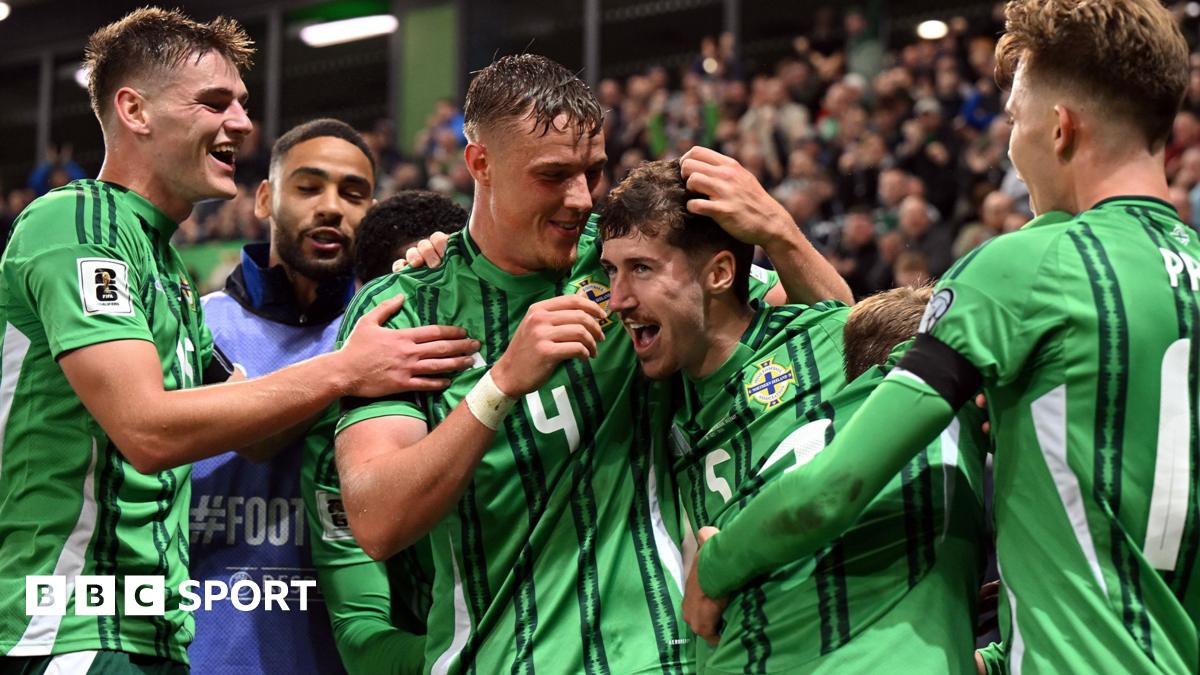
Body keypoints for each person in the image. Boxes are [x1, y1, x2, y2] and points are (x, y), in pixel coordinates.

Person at [685, 1, 1200, 672]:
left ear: (1061, 129)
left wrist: (716, 565)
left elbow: (836, 485)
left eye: (1013, 120)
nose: (1010, 148)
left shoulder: (1025, 268)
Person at [333, 54, 850, 674]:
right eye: (553, 175)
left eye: (593, 171)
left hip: (664, 660)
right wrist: (499, 385)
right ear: (480, 164)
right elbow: (377, 522)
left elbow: (833, 343)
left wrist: (780, 232)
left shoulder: (629, 256)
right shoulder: (407, 306)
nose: (580, 198)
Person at [0, 9, 462, 673]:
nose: (243, 124)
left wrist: (435, 302)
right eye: (215, 103)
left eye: (242, 104)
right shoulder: (80, 223)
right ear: (134, 110)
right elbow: (146, 429)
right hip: (70, 624)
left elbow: (256, 431)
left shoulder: (169, 273)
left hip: (147, 633)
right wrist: (344, 370)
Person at [599, 162, 986, 673]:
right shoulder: (660, 392)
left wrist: (778, 229)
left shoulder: (821, 336)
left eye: (642, 269)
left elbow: (857, 332)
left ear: (719, 274)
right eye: (611, 271)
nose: (619, 298)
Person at [189, 120, 477, 674]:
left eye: (353, 194)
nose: (330, 207)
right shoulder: (196, 327)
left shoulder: (405, 330)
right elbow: (249, 439)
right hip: (207, 650)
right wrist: (350, 371)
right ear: (265, 198)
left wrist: (450, 279)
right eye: (308, 187)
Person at [302, 191, 467, 675]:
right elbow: (361, 637)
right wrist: (481, 650)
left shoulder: (542, 363)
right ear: (363, 304)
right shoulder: (335, 444)